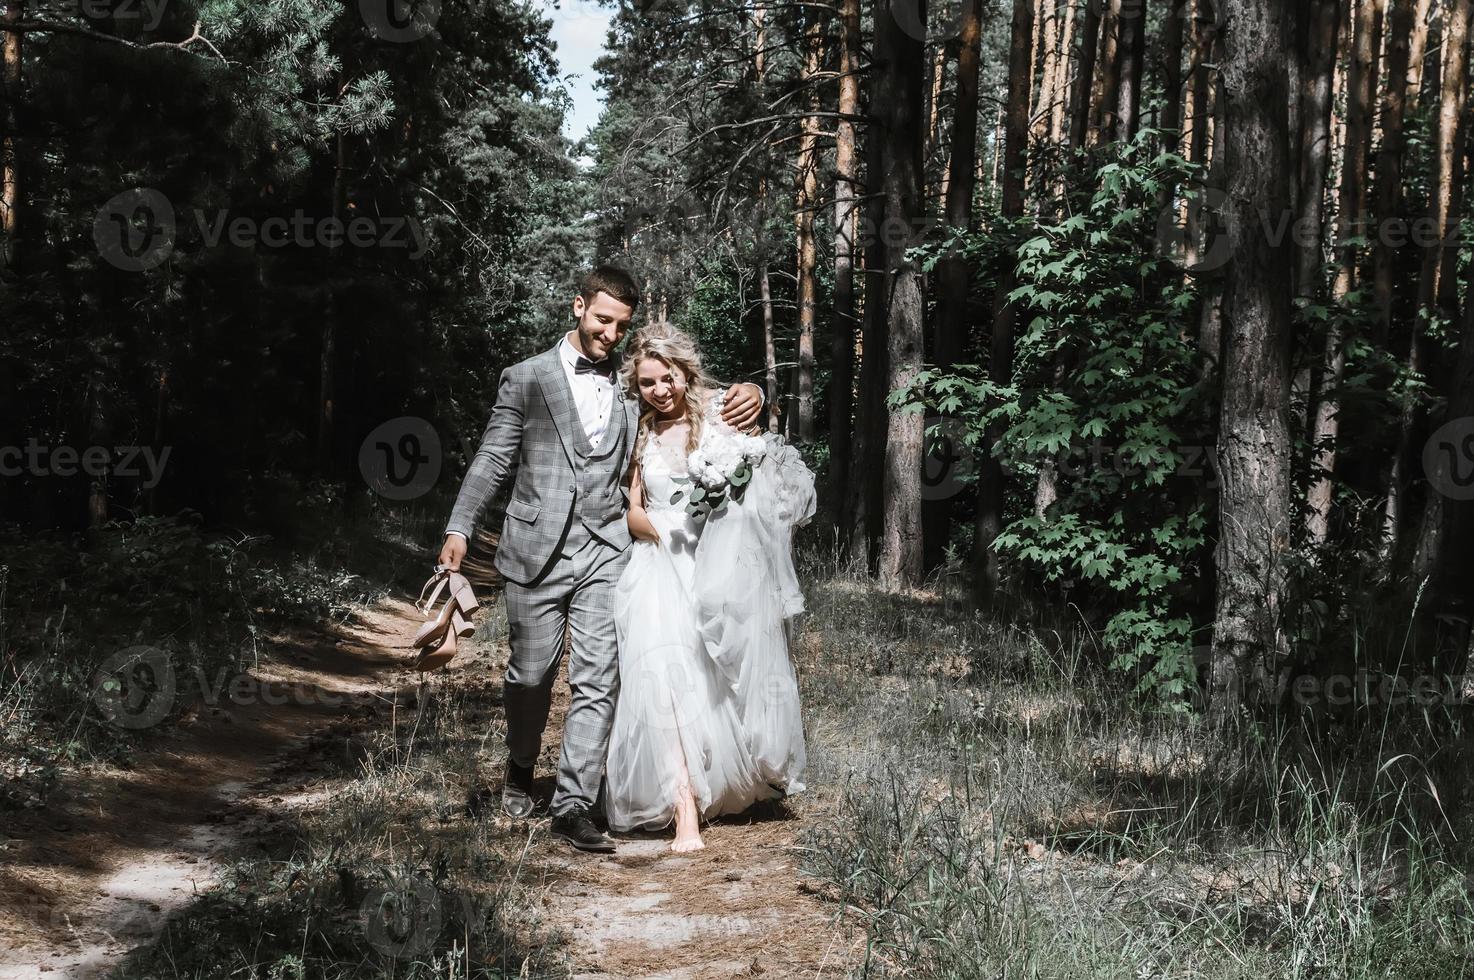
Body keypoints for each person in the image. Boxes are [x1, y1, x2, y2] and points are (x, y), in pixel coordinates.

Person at [437, 267, 764, 853]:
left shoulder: (629, 384)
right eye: (601, 319)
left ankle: (572, 805)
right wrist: (461, 526)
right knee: (530, 676)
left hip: (606, 550)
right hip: (535, 551)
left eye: (620, 326)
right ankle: (519, 763)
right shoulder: (526, 379)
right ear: (578, 307)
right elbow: (491, 459)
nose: (609, 333)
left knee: (598, 681)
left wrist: (756, 392)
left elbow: (688, 399)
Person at [603, 322, 813, 851]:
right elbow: (631, 509)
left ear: (683, 370)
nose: (661, 390)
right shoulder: (640, 432)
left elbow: (765, 472)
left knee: (711, 678)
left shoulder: (720, 415)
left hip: (713, 565)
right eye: (648, 383)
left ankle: (719, 776)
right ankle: (683, 810)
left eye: (667, 377)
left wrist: (759, 393)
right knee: (660, 679)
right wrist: (660, 532)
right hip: (656, 566)